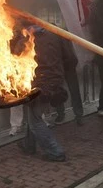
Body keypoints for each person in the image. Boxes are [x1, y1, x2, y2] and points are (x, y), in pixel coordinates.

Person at [20, 25, 68, 162]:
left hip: (40, 83)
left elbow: (17, 57)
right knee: (33, 114)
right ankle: (29, 145)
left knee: (35, 120)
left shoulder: (28, 38)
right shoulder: (55, 34)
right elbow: (69, 58)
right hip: (54, 80)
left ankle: (55, 152)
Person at [53, 38, 84, 126]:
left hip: (65, 64)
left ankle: (75, 115)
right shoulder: (60, 32)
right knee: (61, 90)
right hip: (61, 64)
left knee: (72, 90)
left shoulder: (57, 33)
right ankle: (76, 115)